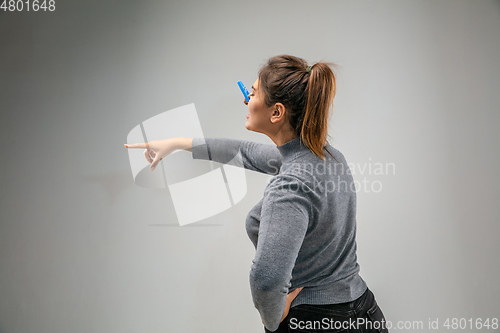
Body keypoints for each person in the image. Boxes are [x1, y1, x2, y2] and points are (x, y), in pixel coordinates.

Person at [125, 54, 389, 333]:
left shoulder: (289, 185)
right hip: (364, 311)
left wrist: (273, 321)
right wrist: (178, 143)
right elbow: (246, 153)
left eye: (251, 94)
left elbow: (266, 279)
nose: (246, 100)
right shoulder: (328, 157)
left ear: (276, 113)